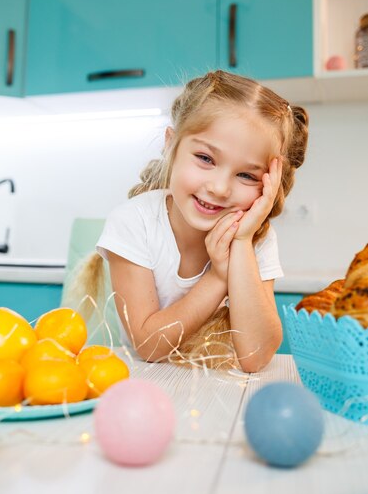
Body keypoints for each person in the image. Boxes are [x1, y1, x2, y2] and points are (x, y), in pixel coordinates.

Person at [76, 70, 309, 372]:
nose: (219, 187)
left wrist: (240, 245)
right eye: (206, 158)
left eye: (246, 175)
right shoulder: (134, 222)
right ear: (171, 144)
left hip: (219, 397)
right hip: (148, 385)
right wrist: (217, 277)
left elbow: (255, 356)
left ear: (269, 185)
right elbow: (149, 346)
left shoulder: (256, 236)